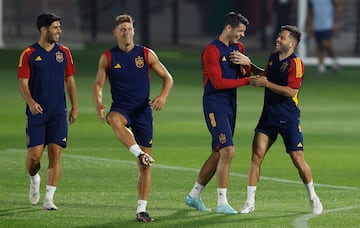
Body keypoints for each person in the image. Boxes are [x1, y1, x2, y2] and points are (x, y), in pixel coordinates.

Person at [93, 14, 173, 223]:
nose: (126, 32)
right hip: (122, 107)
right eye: (122, 30)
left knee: (145, 167)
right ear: (115, 33)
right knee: (113, 119)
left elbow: (167, 78)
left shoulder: (146, 54)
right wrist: (98, 103)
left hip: (143, 111)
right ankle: (138, 152)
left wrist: (162, 96)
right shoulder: (108, 57)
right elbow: (98, 85)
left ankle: (142, 210)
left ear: (134, 31)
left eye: (129, 29)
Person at [239, 25, 323, 215]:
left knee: (298, 160)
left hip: (288, 118)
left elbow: (291, 91)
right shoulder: (273, 57)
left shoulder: (296, 63)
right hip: (268, 116)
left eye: (282, 38)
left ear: (291, 43)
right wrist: (248, 63)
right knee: (256, 157)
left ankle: (313, 196)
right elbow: (265, 76)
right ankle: (249, 202)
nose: (278, 40)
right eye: (278, 36)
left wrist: (266, 83)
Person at [185, 12, 261, 214]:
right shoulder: (211, 50)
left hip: (230, 104)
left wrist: (246, 63)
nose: (242, 35)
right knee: (228, 150)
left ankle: (194, 195)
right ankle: (221, 203)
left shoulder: (238, 48)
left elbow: (242, 72)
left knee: (219, 151)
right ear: (229, 28)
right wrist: (248, 81)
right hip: (214, 104)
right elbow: (218, 83)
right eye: (240, 31)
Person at [17, 13, 78, 210]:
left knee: (55, 153)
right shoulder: (28, 54)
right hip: (37, 113)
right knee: (34, 157)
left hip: (58, 112)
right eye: (55, 27)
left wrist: (75, 106)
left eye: (60, 27)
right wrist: (31, 102)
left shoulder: (64, 53)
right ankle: (34, 179)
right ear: (44, 29)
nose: (59, 31)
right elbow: (23, 82)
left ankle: (49, 199)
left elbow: (69, 80)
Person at [306, 0, 341, 74]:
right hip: (316, 24)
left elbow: (337, 6)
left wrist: (336, 21)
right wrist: (307, 23)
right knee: (319, 46)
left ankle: (334, 60)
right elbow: (310, 10)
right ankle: (321, 66)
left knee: (326, 43)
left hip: (328, 24)